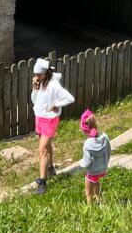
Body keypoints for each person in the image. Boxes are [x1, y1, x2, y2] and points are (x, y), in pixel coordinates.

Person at [31, 58, 74, 195]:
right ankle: (50, 167)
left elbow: (70, 98)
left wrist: (56, 105)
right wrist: (35, 88)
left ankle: (42, 181)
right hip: (39, 117)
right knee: (47, 145)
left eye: (39, 75)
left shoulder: (54, 85)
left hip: (50, 119)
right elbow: (34, 100)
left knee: (42, 149)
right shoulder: (40, 82)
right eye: (36, 75)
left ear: (46, 73)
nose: (36, 77)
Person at [78, 110, 111, 204]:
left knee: (88, 193)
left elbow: (87, 162)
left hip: (92, 172)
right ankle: (101, 202)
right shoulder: (105, 137)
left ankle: (91, 212)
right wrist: (105, 165)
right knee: (96, 183)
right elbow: (108, 152)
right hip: (102, 169)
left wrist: (80, 163)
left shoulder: (87, 144)